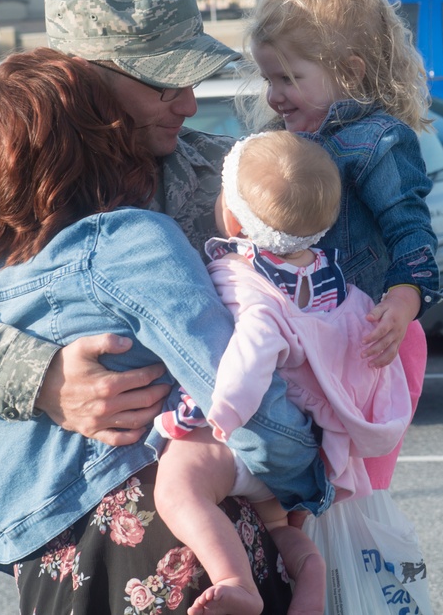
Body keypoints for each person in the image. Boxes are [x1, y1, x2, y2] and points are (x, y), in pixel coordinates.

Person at [0, 0, 335, 614]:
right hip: (91, 534)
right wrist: (38, 376)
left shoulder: (221, 172)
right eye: (161, 79)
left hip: (220, 516)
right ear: (81, 77)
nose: (186, 100)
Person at [0, 46, 329, 614]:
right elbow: (242, 397)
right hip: (169, 541)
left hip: (48, 568)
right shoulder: (128, 240)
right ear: (100, 138)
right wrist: (310, 476)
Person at [153, 130, 413, 615]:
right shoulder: (342, 288)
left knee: (178, 486)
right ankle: (309, 577)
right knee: (281, 528)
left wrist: (220, 412)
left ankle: (236, 581)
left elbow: (249, 354)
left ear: (231, 216)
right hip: (308, 448)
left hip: (245, 437)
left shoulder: (245, 281)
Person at [241, 0, 441, 372]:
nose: (274, 95)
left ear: (349, 72)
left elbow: (410, 230)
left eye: (289, 78)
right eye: (268, 79)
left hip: (353, 329)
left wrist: (404, 297)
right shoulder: (274, 141)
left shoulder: (377, 141)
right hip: (291, 328)